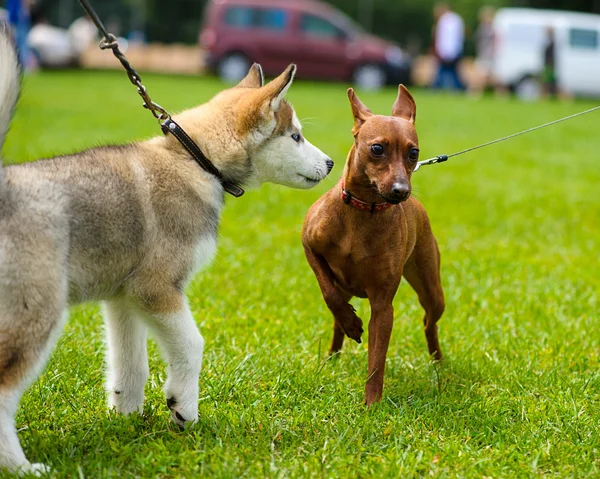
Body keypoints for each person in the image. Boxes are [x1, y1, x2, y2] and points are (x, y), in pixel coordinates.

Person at [431, 2, 465, 91]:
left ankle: (435, 88)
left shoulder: (444, 20)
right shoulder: (456, 19)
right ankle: (458, 88)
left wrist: (443, 51)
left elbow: (444, 38)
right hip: (454, 50)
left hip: (448, 51)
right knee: (452, 72)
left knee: (446, 71)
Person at [470, 6, 496, 96]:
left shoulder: (490, 29)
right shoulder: (486, 28)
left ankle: (475, 93)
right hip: (484, 54)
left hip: (486, 55)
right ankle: (501, 93)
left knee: (480, 75)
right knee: (488, 77)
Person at [542, 27, 558, 98]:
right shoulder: (549, 41)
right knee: (547, 81)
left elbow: (552, 55)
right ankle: (546, 95)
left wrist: (549, 65)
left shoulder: (552, 42)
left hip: (549, 65)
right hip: (548, 64)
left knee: (548, 82)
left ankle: (547, 95)